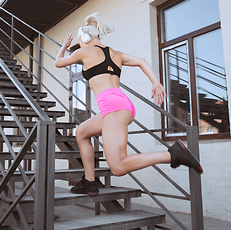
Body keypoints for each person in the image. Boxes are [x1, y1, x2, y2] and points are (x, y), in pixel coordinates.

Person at [55, 13, 203, 195]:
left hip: (112, 108)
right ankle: (89, 181)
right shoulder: (116, 54)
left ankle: (172, 154)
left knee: (117, 167)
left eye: (79, 41)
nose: (79, 44)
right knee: (82, 132)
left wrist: (63, 46)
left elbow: (58, 63)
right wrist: (155, 83)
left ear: (85, 38)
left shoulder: (84, 51)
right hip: (121, 105)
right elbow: (141, 61)